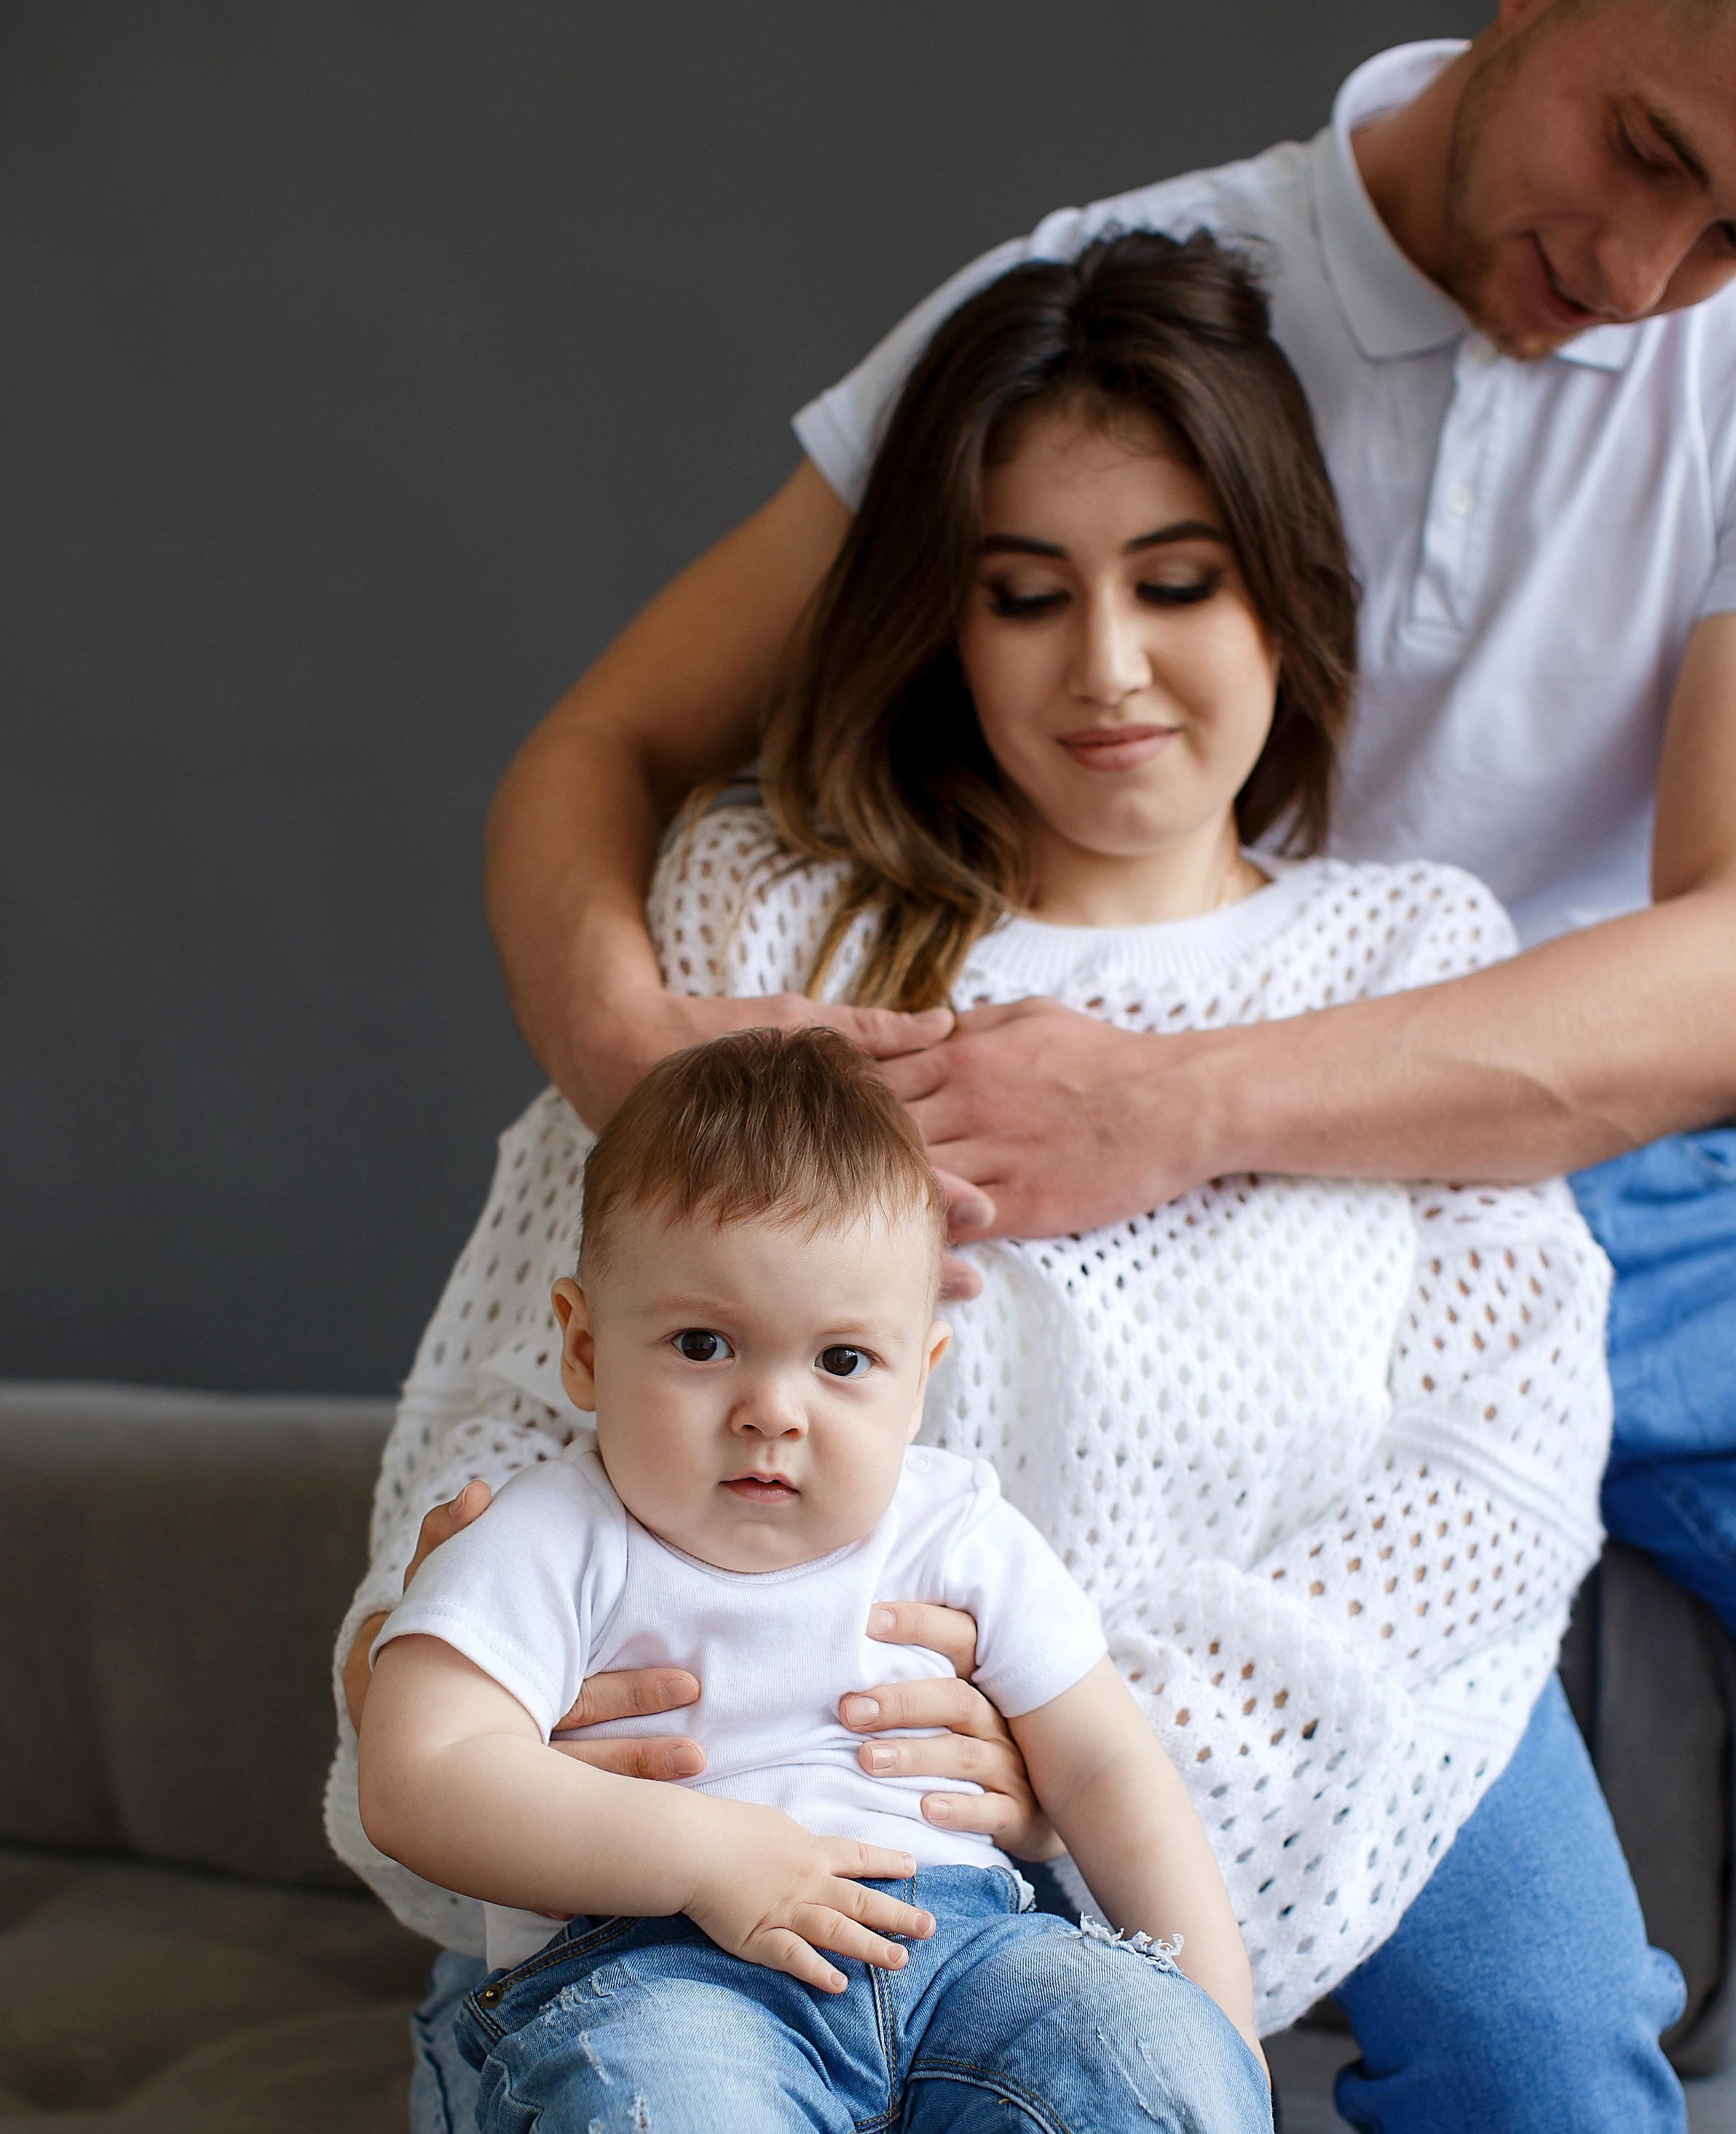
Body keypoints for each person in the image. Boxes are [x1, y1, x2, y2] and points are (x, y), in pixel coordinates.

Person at [263, 227, 1736, 2134]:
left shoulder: (1405, 947)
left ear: (1288, 595)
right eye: (1023, 595)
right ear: (937, 620)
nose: (1108, 669)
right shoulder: (769, 916)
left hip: (1104, 1784)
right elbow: (532, 1371)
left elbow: (1498, 1461)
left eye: (1179, 585)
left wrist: (1087, 1760)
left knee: (1457, 2096)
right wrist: (582, 1712)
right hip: (779, 1817)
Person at [481, 0, 1736, 1642]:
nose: (1637, 277)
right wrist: (623, 1056)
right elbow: (608, 737)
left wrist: (1176, 1100)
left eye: (1725, 233)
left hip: (1583, 1161)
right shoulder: (1122, 296)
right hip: (1099, 1142)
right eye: (1643, 149)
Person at [355, 1025, 1389, 2134]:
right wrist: (699, 1859)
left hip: (948, 1954)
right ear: (583, 1346)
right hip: (660, 1973)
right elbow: (421, 1770)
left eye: (840, 1357)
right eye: (702, 1346)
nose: (772, 1408)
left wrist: (1202, 2028)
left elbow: (1111, 1776)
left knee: (1141, 2043)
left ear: (923, 1362)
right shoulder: (548, 1534)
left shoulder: (955, 1532)